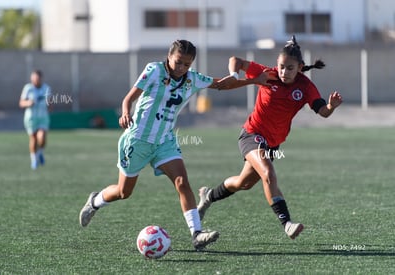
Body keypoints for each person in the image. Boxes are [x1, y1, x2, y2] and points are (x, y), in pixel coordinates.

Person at [78, 40, 271, 251]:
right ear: (169, 56)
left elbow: (222, 84)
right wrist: (125, 113)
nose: (181, 68)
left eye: (187, 64)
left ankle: (197, 234)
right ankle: (96, 201)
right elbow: (129, 99)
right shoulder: (153, 70)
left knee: (182, 182)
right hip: (138, 140)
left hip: (165, 142)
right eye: (178, 62)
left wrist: (254, 81)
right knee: (124, 192)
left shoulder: (192, 79)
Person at [197, 35, 343, 240]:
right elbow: (235, 60)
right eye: (281, 66)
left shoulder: (306, 86)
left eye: (290, 68)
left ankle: (208, 196)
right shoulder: (267, 74)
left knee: (243, 183)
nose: (284, 72)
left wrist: (331, 107)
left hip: (273, 143)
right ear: (277, 64)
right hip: (252, 134)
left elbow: (323, 112)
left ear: (300, 67)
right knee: (269, 173)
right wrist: (232, 74)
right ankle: (287, 224)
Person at [19, 70, 52, 170]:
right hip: (31, 118)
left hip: (42, 117)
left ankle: (40, 152)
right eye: (34, 78)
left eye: (37, 78)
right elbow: (21, 103)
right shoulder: (28, 88)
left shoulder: (46, 88)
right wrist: (28, 103)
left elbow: (50, 103)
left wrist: (49, 105)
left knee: (41, 138)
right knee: (33, 138)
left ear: (41, 78)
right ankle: (34, 159)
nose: (36, 80)